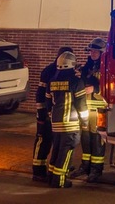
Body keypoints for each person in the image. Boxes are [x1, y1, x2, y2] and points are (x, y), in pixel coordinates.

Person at [46, 50, 88, 188]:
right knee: (67, 151)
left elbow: (48, 102)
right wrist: (85, 121)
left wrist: (50, 115)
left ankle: (51, 176)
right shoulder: (76, 81)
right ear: (72, 64)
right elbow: (81, 104)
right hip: (70, 123)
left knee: (57, 150)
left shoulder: (52, 81)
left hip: (55, 122)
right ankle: (60, 180)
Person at [31, 46, 73, 182]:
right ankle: (38, 171)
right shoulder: (49, 71)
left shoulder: (69, 72)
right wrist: (41, 113)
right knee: (43, 140)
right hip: (47, 114)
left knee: (57, 143)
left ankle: (53, 170)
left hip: (57, 115)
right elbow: (40, 94)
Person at [72, 37, 107, 181]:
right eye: (91, 51)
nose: (92, 53)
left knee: (97, 138)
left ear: (102, 53)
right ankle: (85, 166)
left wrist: (95, 88)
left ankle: (96, 169)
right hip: (86, 107)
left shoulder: (106, 68)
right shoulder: (86, 67)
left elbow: (110, 86)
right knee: (85, 137)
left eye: (95, 51)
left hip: (99, 109)